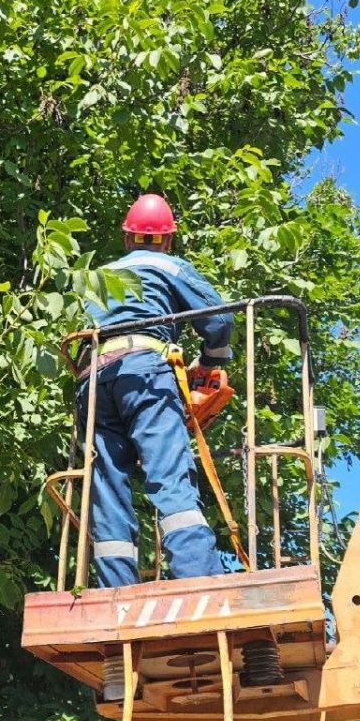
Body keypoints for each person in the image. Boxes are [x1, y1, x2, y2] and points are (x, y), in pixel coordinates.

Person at [76, 193, 234, 589]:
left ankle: (116, 591)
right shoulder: (169, 266)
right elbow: (219, 322)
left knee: (107, 490)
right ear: (168, 239)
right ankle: (199, 580)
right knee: (169, 475)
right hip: (145, 373)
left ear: (127, 237)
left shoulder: (96, 277)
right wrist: (212, 364)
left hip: (91, 382)